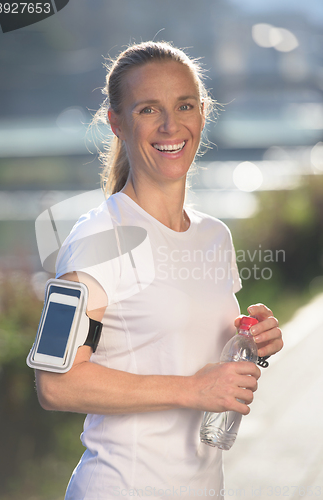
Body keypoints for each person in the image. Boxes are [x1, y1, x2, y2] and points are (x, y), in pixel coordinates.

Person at [35, 41, 283, 499]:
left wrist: (253, 339)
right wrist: (191, 389)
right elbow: (56, 382)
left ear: (202, 113)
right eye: (149, 109)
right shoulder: (98, 239)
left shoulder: (214, 236)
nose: (171, 125)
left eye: (184, 105)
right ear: (116, 122)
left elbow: (186, 343)